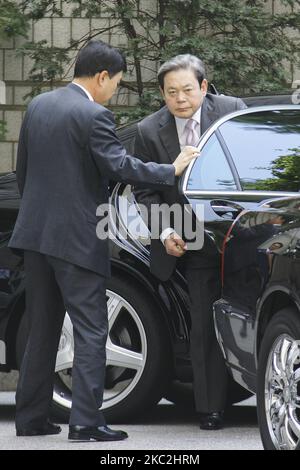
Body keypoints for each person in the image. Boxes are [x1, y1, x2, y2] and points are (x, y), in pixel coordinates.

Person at [8, 40, 199, 442]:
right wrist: (171, 168)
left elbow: (23, 170)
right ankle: (86, 422)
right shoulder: (94, 115)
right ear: (101, 76)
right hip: (77, 238)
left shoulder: (39, 105)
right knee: (92, 329)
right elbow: (119, 166)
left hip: (35, 235)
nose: (115, 90)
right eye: (116, 82)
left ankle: (31, 419)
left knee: (42, 329)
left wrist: (39, 217)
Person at [133, 54, 247, 430]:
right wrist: (165, 233)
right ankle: (211, 408)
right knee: (204, 322)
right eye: (171, 93)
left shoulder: (231, 111)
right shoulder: (150, 131)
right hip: (192, 239)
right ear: (163, 95)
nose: (180, 99)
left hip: (241, 235)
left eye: (186, 90)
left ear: (202, 86)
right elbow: (145, 192)